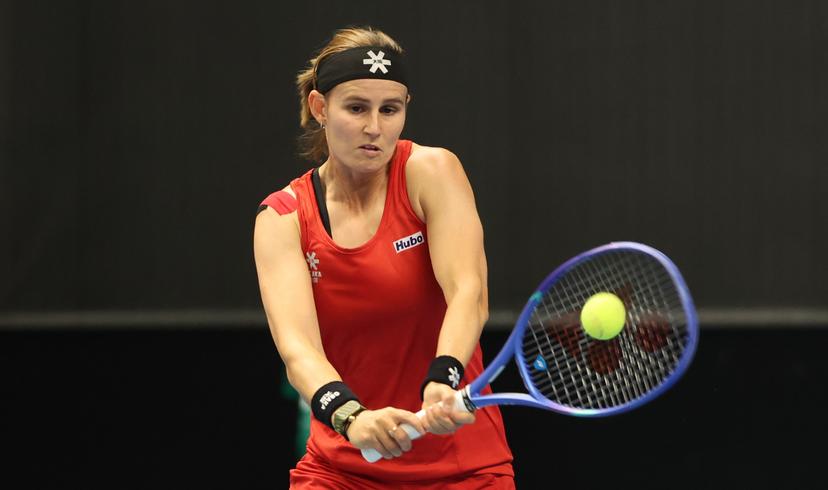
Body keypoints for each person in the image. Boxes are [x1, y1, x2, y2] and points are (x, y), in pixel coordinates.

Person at [253, 26, 514, 489]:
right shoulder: (283, 218)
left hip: (464, 470)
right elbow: (299, 350)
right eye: (356, 108)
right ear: (319, 108)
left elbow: (468, 291)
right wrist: (352, 417)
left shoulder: (432, 172)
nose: (375, 127)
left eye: (389, 110)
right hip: (341, 469)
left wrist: (445, 377)